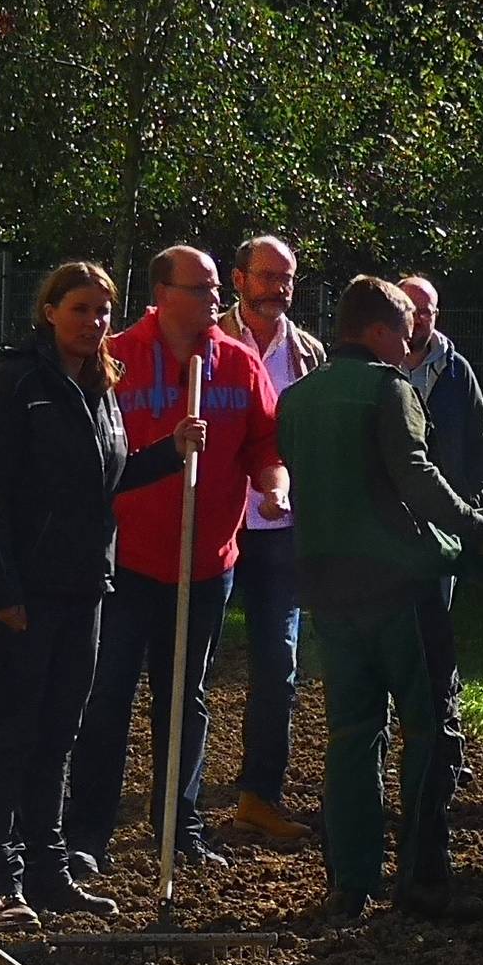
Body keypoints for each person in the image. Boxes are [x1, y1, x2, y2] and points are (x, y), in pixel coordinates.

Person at [0, 262, 200, 927]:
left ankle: (49, 869)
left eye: (102, 311)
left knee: (60, 734)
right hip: (23, 593)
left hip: (86, 587)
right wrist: (4, 587)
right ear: (48, 311)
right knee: (11, 734)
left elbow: (105, 478)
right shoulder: (19, 382)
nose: (92, 322)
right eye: (78, 308)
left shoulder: (97, 386)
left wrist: (169, 453)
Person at [280, 276, 483, 922]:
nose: (410, 339)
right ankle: (420, 880)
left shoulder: (296, 399)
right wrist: (475, 526)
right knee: (428, 729)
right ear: (380, 329)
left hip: (328, 590)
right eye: (405, 326)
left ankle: (349, 883)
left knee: (352, 737)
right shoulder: (390, 389)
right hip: (398, 586)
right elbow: (416, 475)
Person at [65, 245, 287, 874]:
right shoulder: (117, 362)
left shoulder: (239, 365)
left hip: (208, 563)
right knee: (107, 695)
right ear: (163, 294)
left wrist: (274, 482)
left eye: (217, 288)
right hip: (127, 561)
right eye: (200, 289)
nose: (214, 300)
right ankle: (87, 832)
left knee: (186, 696)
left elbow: (265, 442)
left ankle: (180, 824)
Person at [216, 235, 324, 843]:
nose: (278, 289)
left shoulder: (308, 353)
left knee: (278, 667)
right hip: (218, 526)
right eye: (266, 277)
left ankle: (259, 796)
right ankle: (174, 799)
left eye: (286, 278)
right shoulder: (210, 347)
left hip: (281, 533)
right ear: (238, 279)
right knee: (189, 663)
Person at [396, 274, 483, 790]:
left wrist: (465, 509)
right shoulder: (379, 368)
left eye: (427, 310)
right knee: (393, 639)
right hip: (387, 532)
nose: (418, 319)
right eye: (409, 309)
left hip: (441, 534)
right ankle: (403, 747)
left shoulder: (457, 372)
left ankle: (445, 753)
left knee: (437, 640)